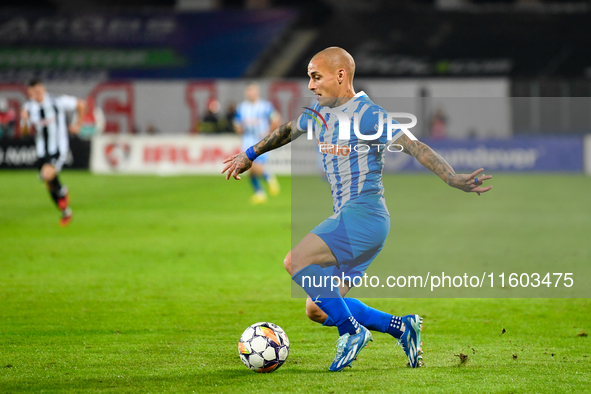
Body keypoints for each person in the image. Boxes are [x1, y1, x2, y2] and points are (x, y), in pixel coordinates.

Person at [222, 47, 493, 372]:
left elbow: (414, 145)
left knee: (295, 261)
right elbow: (286, 131)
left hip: (363, 216)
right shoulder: (317, 114)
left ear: (341, 76)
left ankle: (351, 332)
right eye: (309, 77)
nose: (310, 85)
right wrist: (249, 153)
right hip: (358, 223)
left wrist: (451, 177)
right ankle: (402, 327)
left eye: (316, 77)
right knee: (318, 308)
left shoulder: (368, 115)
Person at [21, 79, 86, 226]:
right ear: (29, 93)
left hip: (57, 148)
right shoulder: (28, 108)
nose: (36, 94)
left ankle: (62, 191)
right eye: (33, 92)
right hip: (41, 151)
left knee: (47, 174)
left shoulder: (57, 101)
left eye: (38, 91)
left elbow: (81, 104)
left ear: (43, 89)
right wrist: (24, 121)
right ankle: (65, 211)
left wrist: (78, 125)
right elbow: (24, 133)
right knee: (49, 184)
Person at [233, 82, 282, 204]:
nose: (250, 94)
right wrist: (239, 129)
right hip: (247, 139)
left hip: (261, 140)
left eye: (253, 91)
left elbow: (276, 119)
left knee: (256, 167)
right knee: (248, 168)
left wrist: (269, 132)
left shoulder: (265, 106)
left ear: (257, 93)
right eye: (249, 91)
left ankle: (269, 177)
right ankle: (259, 193)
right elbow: (237, 123)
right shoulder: (242, 107)